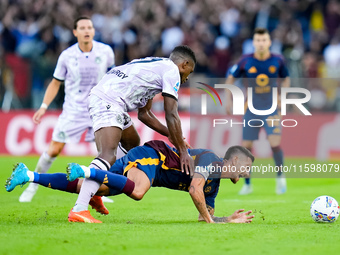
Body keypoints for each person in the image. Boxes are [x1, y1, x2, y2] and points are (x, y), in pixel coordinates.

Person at [69, 45, 197, 223]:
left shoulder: (155, 67)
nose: (186, 78)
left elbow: (144, 114)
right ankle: (79, 208)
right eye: (189, 72)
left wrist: (170, 134)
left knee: (132, 143)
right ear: (184, 64)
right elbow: (171, 114)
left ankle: (95, 190)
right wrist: (182, 151)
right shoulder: (172, 71)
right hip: (108, 100)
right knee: (107, 154)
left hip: (110, 99)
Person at [5, 140, 255, 224]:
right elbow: (193, 189)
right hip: (151, 157)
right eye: (245, 168)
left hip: (150, 170)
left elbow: (204, 216)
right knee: (137, 192)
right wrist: (214, 223)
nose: (246, 173)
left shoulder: (215, 185)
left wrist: (226, 219)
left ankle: (29, 176)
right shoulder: (211, 161)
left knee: (87, 188)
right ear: (233, 161)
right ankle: (87, 169)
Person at [19, 17, 115, 203]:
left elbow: (113, 79)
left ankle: (98, 192)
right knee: (54, 150)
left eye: (89, 27)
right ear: (75, 32)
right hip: (73, 111)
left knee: (103, 152)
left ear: (93, 31)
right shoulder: (67, 56)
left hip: (98, 109)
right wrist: (44, 106)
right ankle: (33, 185)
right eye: (82, 28)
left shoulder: (106, 52)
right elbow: (55, 83)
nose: (86, 30)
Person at [225, 28, 290, 195]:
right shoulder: (245, 61)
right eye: (258, 41)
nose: (261, 44)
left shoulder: (278, 60)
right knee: (246, 147)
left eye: (264, 40)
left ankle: (280, 177)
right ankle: (247, 184)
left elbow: (286, 78)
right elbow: (231, 78)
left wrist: (283, 98)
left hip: (271, 109)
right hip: (251, 109)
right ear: (254, 43)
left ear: (269, 42)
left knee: (274, 143)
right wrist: (227, 99)